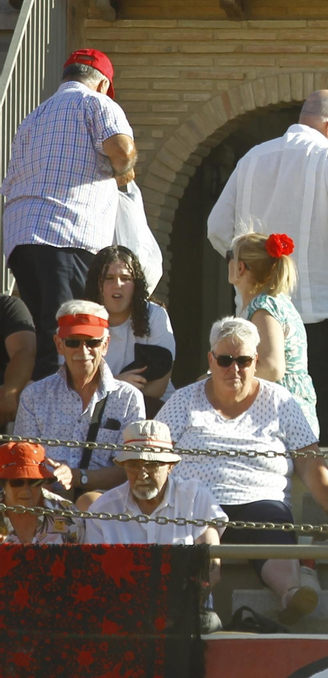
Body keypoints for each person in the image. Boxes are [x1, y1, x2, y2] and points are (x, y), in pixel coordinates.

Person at [208, 90, 328, 434]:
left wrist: (245, 267)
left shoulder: (252, 158)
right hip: (316, 312)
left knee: (255, 412)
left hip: (253, 314)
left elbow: (218, 227)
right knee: (316, 413)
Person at [156, 318, 328, 624]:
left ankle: (290, 595)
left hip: (261, 499)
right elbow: (156, 453)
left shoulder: (280, 401)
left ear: (256, 361)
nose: (233, 369)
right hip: (199, 502)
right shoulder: (184, 399)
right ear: (211, 359)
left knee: (273, 531)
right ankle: (201, 603)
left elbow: (309, 460)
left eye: (243, 361)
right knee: (203, 528)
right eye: (224, 360)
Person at [2, 49, 135, 377]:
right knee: (68, 335)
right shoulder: (97, 103)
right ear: (102, 83)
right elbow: (121, 149)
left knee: (46, 336)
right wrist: (124, 169)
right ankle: (54, 423)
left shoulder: (34, 115)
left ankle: (37, 418)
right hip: (67, 234)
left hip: (21, 238)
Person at [85, 420, 226, 622]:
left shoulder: (196, 498)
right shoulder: (102, 511)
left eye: (151, 464)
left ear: (170, 466)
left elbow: (212, 569)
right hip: (124, 614)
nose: (142, 474)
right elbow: (98, 578)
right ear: (124, 466)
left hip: (186, 612)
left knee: (209, 623)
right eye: (134, 465)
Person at [15, 301, 146, 497]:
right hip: (43, 498)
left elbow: (130, 470)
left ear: (105, 345)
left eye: (92, 342)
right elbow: (22, 460)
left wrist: (77, 477)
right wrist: (46, 488)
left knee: (90, 502)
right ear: (59, 345)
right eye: (73, 342)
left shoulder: (128, 398)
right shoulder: (34, 396)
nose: (83, 351)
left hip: (102, 502)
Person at [227, 232, 317, 433]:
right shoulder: (275, 303)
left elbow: (271, 367)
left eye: (229, 256)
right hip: (285, 415)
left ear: (240, 267)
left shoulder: (263, 306)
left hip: (280, 418)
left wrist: (220, 378)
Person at [87, 244, 175, 407]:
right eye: (109, 278)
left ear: (136, 284)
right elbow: (73, 385)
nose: (118, 284)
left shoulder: (155, 316)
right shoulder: (82, 318)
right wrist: (115, 383)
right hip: (95, 408)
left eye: (126, 278)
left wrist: (107, 387)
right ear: (97, 283)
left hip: (151, 408)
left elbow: (158, 387)